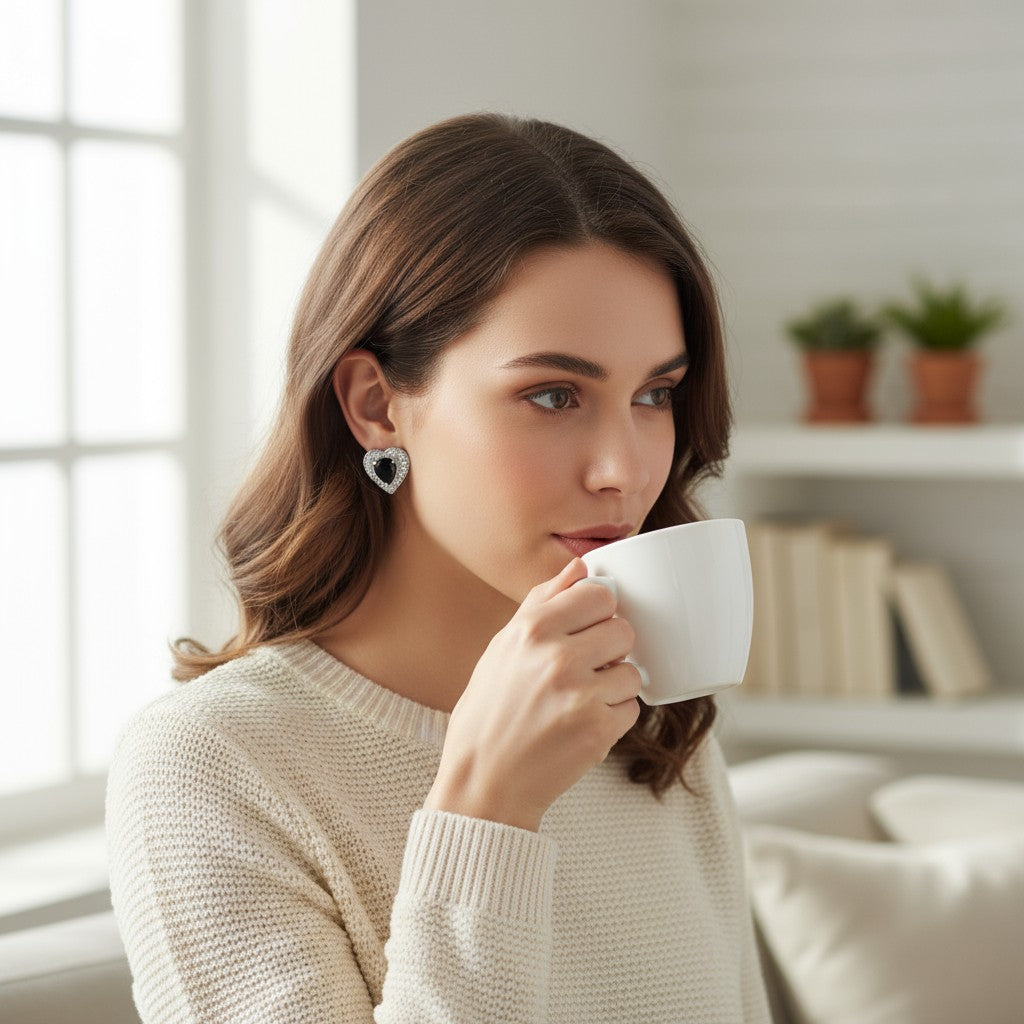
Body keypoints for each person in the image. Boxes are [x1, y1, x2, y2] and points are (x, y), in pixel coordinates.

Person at [106, 111, 771, 1023]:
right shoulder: (212, 767)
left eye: (655, 394)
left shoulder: (654, 723)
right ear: (378, 405)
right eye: (552, 395)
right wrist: (485, 813)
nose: (623, 467)